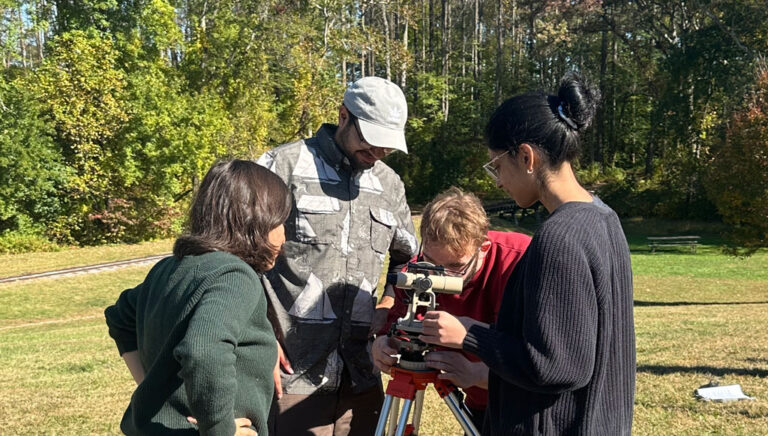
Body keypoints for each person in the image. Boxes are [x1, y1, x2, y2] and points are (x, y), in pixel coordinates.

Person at [418, 72, 636, 435]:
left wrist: (470, 335)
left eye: (497, 166)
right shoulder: (604, 219)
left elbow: (558, 366)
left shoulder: (558, 238)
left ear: (526, 156)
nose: (499, 181)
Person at [256, 76, 419, 436]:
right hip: (290, 377)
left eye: (387, 145)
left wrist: (389, 302)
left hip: (361, 378)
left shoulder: (390, 185)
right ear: (343, 116)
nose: (377, 151)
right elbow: (236, 259)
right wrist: (257, 341)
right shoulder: (280, 167)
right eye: (370, 138)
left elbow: (408, 258)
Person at [105, 160, 292, 436]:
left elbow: (120, 317)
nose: (284, 236)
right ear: (255, 221)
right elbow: (203, 348)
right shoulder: (235, 275)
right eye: (280, 222)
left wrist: (150, 392)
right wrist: (220, 429)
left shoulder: (169, 268)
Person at [371, 186, 530, 430]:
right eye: (431, 262)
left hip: (527, 407)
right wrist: (383, 342)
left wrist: (477, 373)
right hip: (479, 405)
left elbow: (542, 359)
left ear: (483, 248)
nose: (439, 276)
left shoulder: (523, 262)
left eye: (455, 266)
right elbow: (396, 321)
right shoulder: (417, 272)